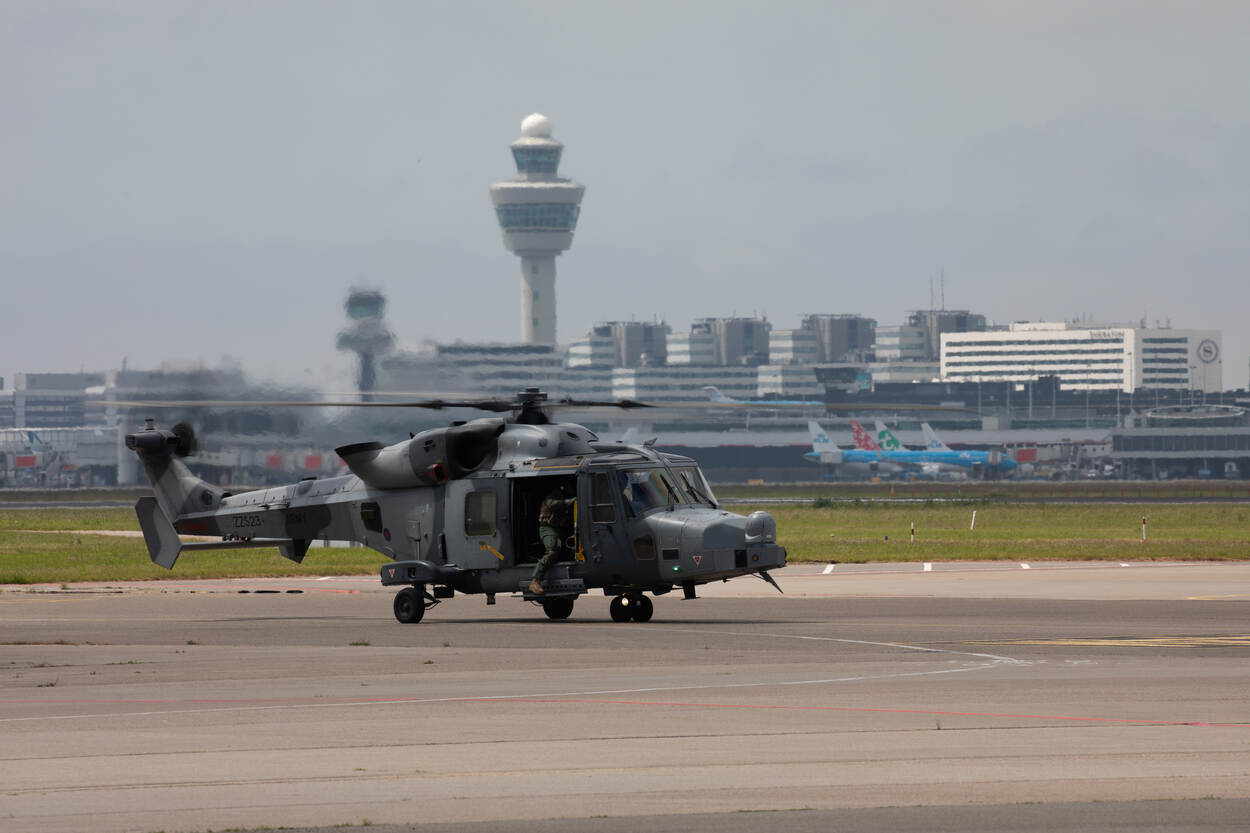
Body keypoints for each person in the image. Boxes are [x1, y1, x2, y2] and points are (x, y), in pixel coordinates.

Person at [528, 486, 575, 595]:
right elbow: (551, 504)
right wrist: (568, 501)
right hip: (547, 529)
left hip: (556, 529)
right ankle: (535, 581)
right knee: (552, 551)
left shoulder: (562, 499)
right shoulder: (552, 497)